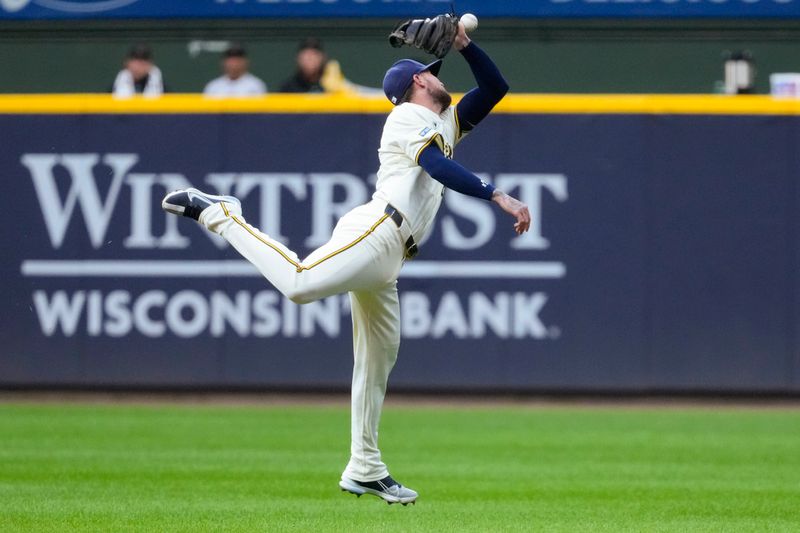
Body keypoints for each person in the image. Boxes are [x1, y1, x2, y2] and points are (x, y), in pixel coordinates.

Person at [161, 22, 529, 505]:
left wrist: (466, 45)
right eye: (432, 72)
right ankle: (220, 214)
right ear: (417, 82)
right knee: (299, 283)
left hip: (391, 258)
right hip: (378, 231)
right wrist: (495, 194)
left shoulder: (445, 124)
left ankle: (365, 467)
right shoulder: (404, 119)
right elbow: (437, 166)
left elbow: (496, 88)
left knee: (377, 362)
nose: (441, 76)